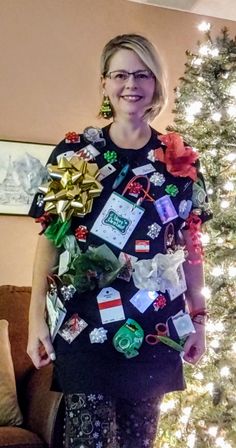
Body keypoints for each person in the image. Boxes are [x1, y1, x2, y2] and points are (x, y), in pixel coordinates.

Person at [27, 34, 212, 448]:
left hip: (154, 329)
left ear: (157, 84)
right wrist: (35, 318)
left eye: (143, 74)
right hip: (84, 328)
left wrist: (199, 321)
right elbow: (50, 240)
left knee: (137, 441)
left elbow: (193, 249)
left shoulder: (179, 162)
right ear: (105, 84)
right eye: (121, 74)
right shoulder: (76, 153)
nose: (132, 84)